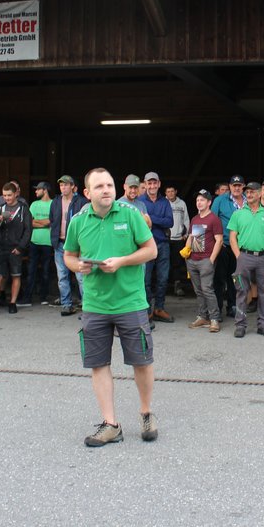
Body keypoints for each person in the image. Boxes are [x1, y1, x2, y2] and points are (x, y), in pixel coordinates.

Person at [63, 168, 158, 447]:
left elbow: (151, 250)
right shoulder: (78, 222)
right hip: (95, 305)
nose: (106, 190)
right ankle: (110, 424)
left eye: (109, 185)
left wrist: (122, 261)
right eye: (99, 186)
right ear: (87, 193)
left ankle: (146, 414)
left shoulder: (130, 215)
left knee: (141, 361)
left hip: (130, 302)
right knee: (98, 364)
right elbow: (69, 255)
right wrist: (77, 265)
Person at [228, 182, 264, 338]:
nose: (249, 194)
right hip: (244, 256)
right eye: (247, 192)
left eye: (252, 192)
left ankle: (263, 326)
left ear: (259, 194)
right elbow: (232, 237)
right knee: (241, 292)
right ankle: (240, 325)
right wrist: (238, 255)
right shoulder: (238, 214)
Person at [49, 174, 88, 316]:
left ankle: (87, 306)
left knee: (81, 277)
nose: (63, 187)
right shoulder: (55, 202)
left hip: (77, 245)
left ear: (72, 186)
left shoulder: (81, 202)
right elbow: (52, 220)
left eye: (66, 184)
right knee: (62, 276)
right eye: (61, 185)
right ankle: (66, 304)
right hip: (60, 243)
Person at [0, 182, 31, 315]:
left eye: (9, 195)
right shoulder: (0, 208)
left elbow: (28, 230)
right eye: (4, 195)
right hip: (1, 247)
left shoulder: (23, 209)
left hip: (15, 248)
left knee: (15, 275)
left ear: (15, 194)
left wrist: (21, 247)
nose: (7, 198)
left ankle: (12, 303)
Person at [138, 172, 174, 323]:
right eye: (149, 183)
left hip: (162, 244)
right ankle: (147, 310)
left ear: (159, 184)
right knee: (145, 280)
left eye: (155, 183)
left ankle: (159, 308)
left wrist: (150, 219)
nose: (152, 186)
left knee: (163, 278)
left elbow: (170, 222)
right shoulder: (140, 201)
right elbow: (139, 223)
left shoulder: (165, 202)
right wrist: (159, 221)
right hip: (146, 245)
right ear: (145, 184)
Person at [186, 189, 223, 332]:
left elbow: (219, 240)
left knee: (207, 289)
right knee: (199, 290)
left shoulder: (214, 219)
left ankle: (214, 319)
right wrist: (186, 252)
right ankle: (202, 316)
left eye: (202, 200)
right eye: (197, 200)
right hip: (193, 259)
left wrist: (211, 260)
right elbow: (191, 237)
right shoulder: (195, 219)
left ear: (209, 202)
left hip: (206, 260)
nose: (199, 202)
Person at [213, 175, 246, 318]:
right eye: (234, 185)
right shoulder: (220, 200)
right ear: (230, 186)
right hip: (224, 245)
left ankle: (232, 306)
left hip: (241, 246)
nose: (236, 188)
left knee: (235, 278)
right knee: (219, 278)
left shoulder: (248, 200)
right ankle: (217, 309)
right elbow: (213, 220)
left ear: (243, 186)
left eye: (239, 185)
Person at [22, 181, 54, 306]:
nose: (35, 191)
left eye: (38, 189)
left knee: (46, 271)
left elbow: (52, 221)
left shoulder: (53, 204)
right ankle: (27, 298)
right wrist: (44, 223)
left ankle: (43, 297)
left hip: (48, 242)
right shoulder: (34, 204)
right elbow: (30, 222)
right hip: (33, 242)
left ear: (44, 190)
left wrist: (38, 222)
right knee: (31, 271)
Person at [166, 185, 190, 297]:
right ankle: (164, 286)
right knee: (165, 263)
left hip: (178, 238)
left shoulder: (182, 204)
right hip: (166, 239)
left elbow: (186, 219)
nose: (170, 193)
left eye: (172, 191)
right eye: (168, 191)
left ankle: (177, 285)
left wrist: (185, 234)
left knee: (177, 263)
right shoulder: (163, 203)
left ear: (176, 191)